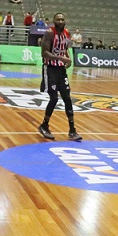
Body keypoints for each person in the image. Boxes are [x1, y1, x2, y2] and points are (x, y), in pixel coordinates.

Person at [37, 13, 82, 142]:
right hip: (50, 69)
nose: (61, 21)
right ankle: (44, 125)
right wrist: (60, 58)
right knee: (54, 98)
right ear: (54, 21)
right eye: (58, 19)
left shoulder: (66, 33)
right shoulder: (49, 33)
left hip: (61, 69)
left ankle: (72, 130)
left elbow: (64, 48)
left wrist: (68, 58)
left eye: (62, 19)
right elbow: (44, 53)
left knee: (67, 98)